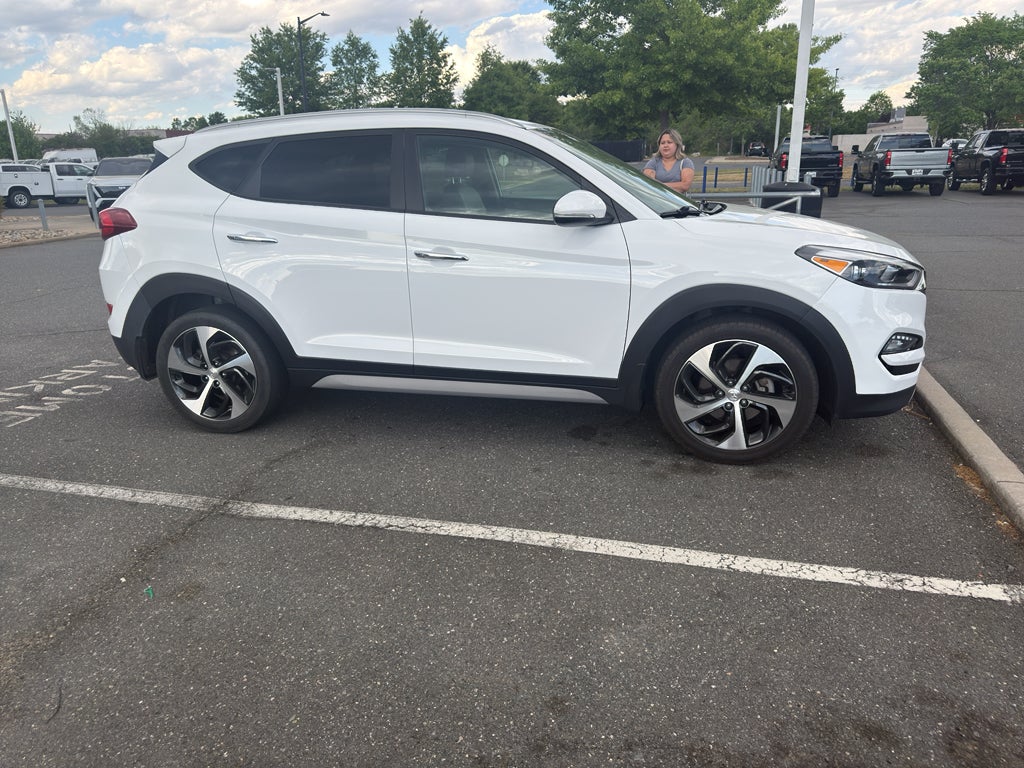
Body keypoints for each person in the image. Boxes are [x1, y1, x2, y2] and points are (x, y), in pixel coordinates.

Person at [643, 129, 695, 193]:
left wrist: (659, 186)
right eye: (662, 143)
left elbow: (685, 185)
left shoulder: (686, 162)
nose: (665, 145)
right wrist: (675, 186)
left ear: (677, 144)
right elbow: (649, 184)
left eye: (669, 142)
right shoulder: (652, 163)